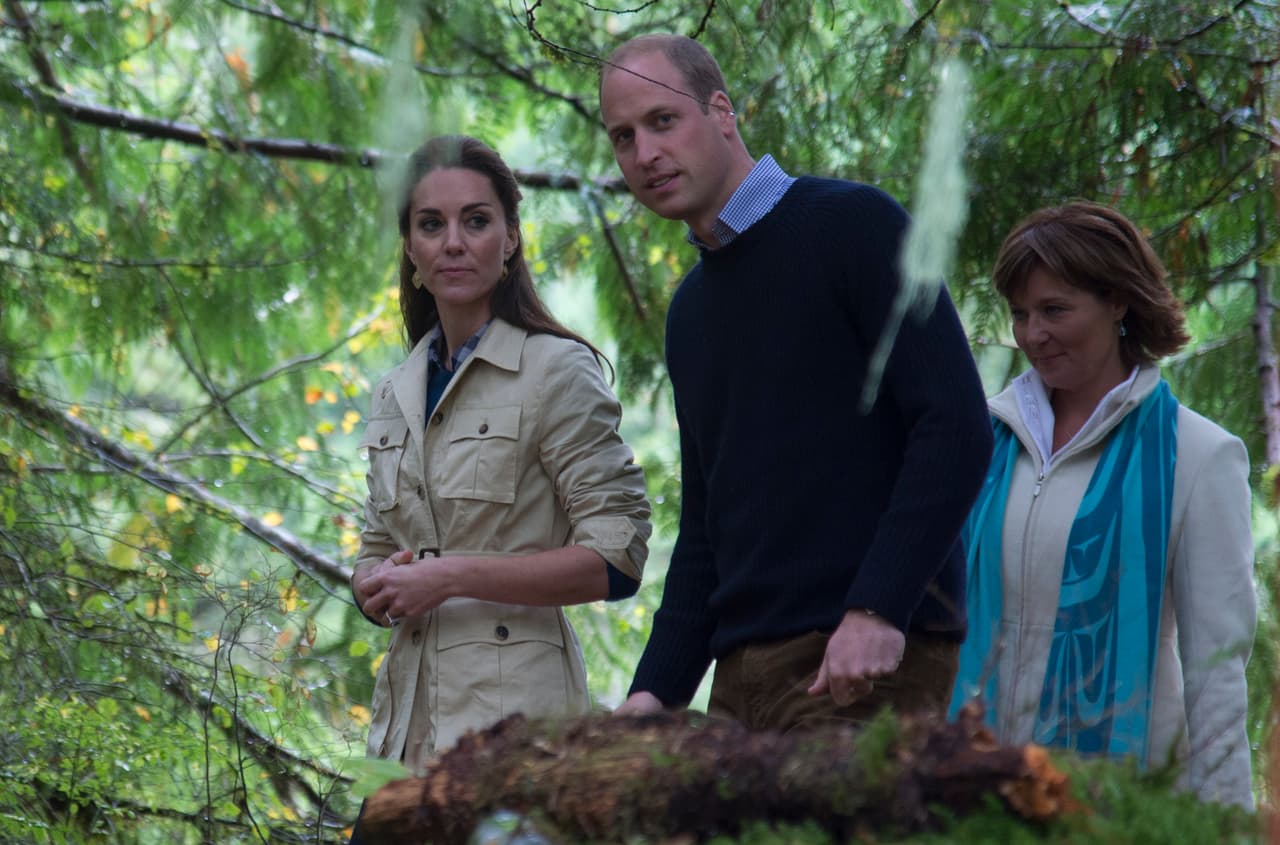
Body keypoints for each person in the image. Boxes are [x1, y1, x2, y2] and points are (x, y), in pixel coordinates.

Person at [598, 34, 993, 730]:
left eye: (663, 121)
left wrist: (878, 606)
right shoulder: (690, 313)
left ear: (722, 111)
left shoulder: (854, 226)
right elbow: (707, 532)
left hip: (857, 670)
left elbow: (956, 427)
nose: (645, 153)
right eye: (623, 137)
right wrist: (652, 692)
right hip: (739, 682)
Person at [349, 135, 652, 777]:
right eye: (431, 224)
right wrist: (371, 586)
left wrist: (450, 576)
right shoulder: (394, 390)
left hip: (519, 734)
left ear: (511, 237)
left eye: (476, 221)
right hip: (403, 733)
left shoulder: (556, 369)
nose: (453, 242)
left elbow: (616, 559)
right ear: (409, 246)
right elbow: (377, 544)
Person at [948, 201, 1256, 809]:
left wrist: (1225, 828)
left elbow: (1216, 674)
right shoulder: (984, 441)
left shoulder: (1198, 457)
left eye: (1055, 309)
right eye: (1020, 314)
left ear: (1118, 302)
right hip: (975, 788)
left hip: (1119, 804)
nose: (1033, 334)